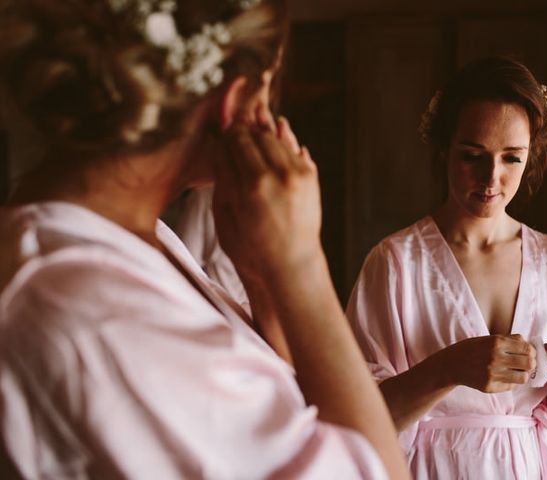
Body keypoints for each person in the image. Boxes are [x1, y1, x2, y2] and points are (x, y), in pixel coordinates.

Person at [0, 1, 411, 478]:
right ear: (235, 103)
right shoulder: (92, 308)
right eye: (270, 87)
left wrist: (266, 286)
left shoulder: (138, 240)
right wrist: (302, 267)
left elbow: (289, 416)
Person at [347, 57, 547, 480]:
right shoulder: (395, 262)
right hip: (432, 468)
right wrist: (448, 369)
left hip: (529, 466)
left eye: (512, 158)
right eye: (473, 156)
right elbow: (359, 416)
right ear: (443, 148)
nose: (492, 179)